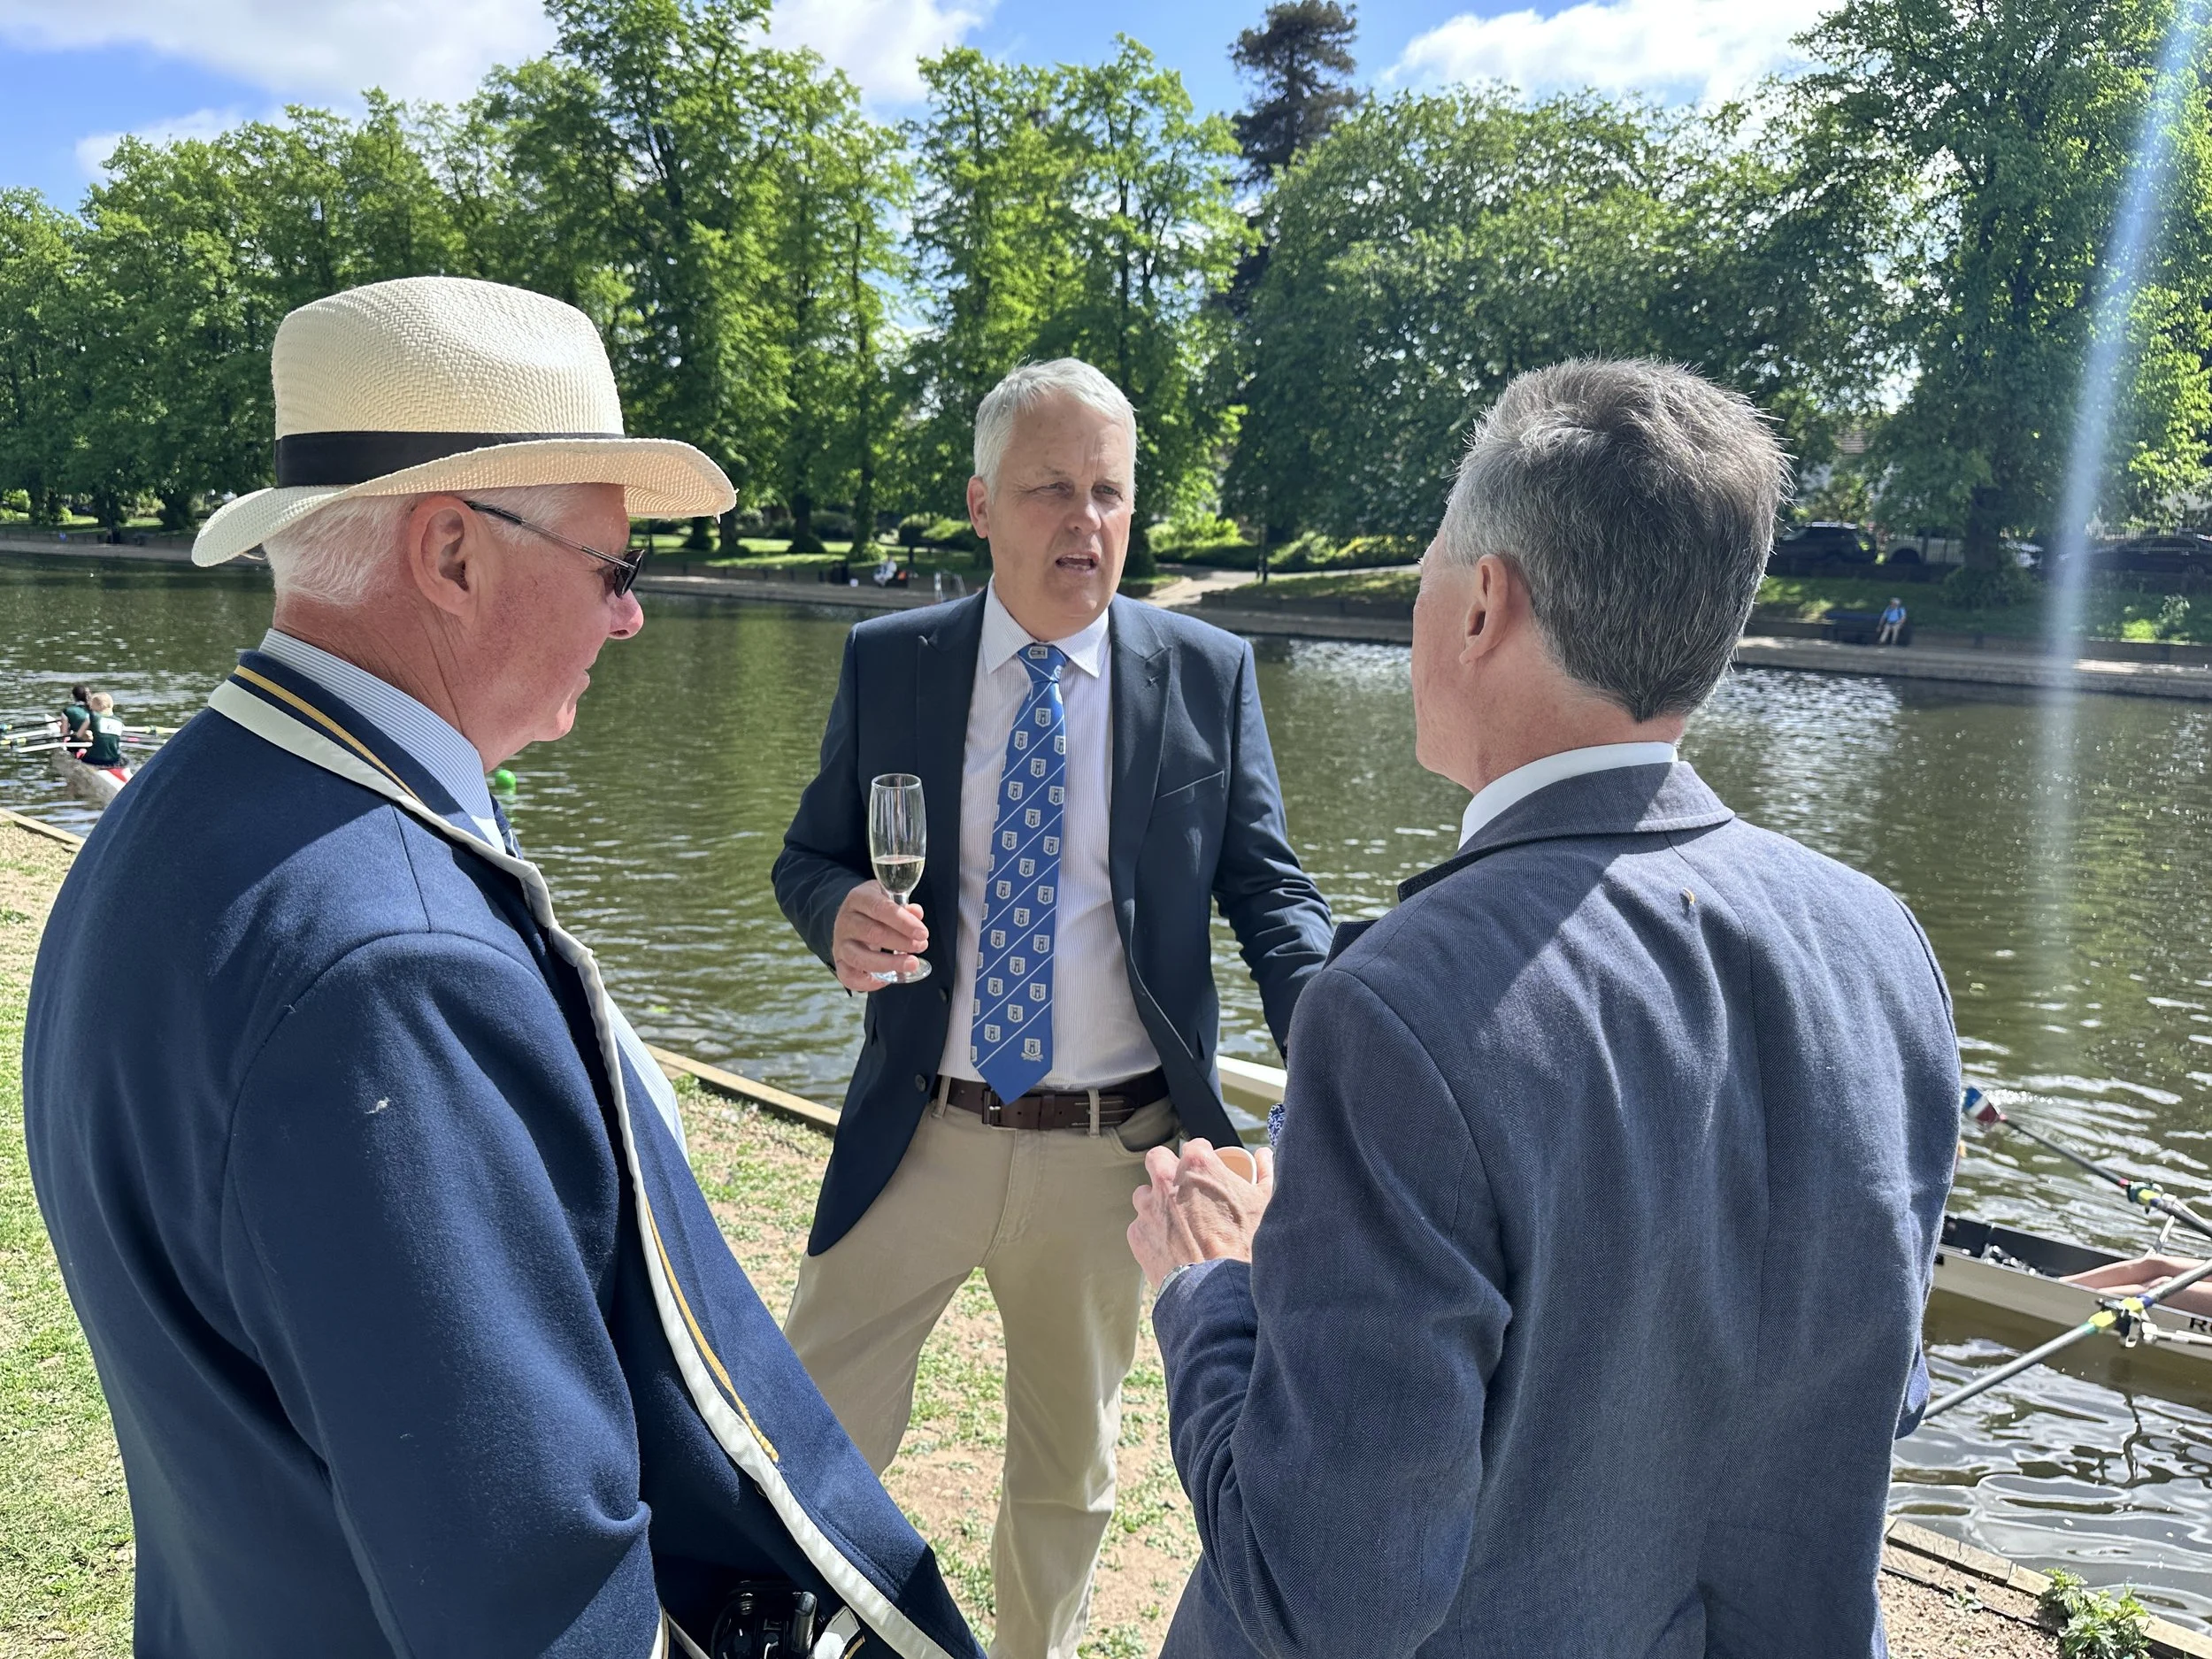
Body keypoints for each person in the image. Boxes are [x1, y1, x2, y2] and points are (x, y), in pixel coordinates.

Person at [25, 276, 981, 1659]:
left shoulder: (191, 808)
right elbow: (533, 1593)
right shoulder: (391, 969)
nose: (631, 617)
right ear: (454, 555)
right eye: (616, 567)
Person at [1125, 359, 1961, 1658]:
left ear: (1481, 606)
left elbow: (1321, 1595)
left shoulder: (1398, 1007)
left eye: (1424, 570)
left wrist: (1215, 1289)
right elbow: (1867, 1388)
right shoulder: (1883, 946)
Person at [774, 358, 1333, 1659]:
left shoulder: (1206, 673)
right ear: (980, 502)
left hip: (1112, 1155)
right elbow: (808, 854)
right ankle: (780, 1630)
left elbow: (1272, 896)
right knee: (803, 1424)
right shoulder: (892, 661)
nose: (1086, 523)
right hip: (924, 1129)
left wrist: (1338, 1036)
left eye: (1109, 492)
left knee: (1063, 1479)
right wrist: (837, 910)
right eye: (1050, 490)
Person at [79, 691, 126, 770]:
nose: (90, 707)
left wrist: (87, 737)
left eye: (91, 704)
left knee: (80, 753)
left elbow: (79, 735)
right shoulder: (119, 721)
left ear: (97, 706)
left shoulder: (92, 716)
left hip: (94, 760)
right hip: (113, 761)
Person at [59, 682, 91, 749]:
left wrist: (60, 726)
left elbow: (64, 734)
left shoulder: (68, 711)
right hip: (93, 742)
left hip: (76, 743)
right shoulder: (95, 710)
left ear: (73, 696)